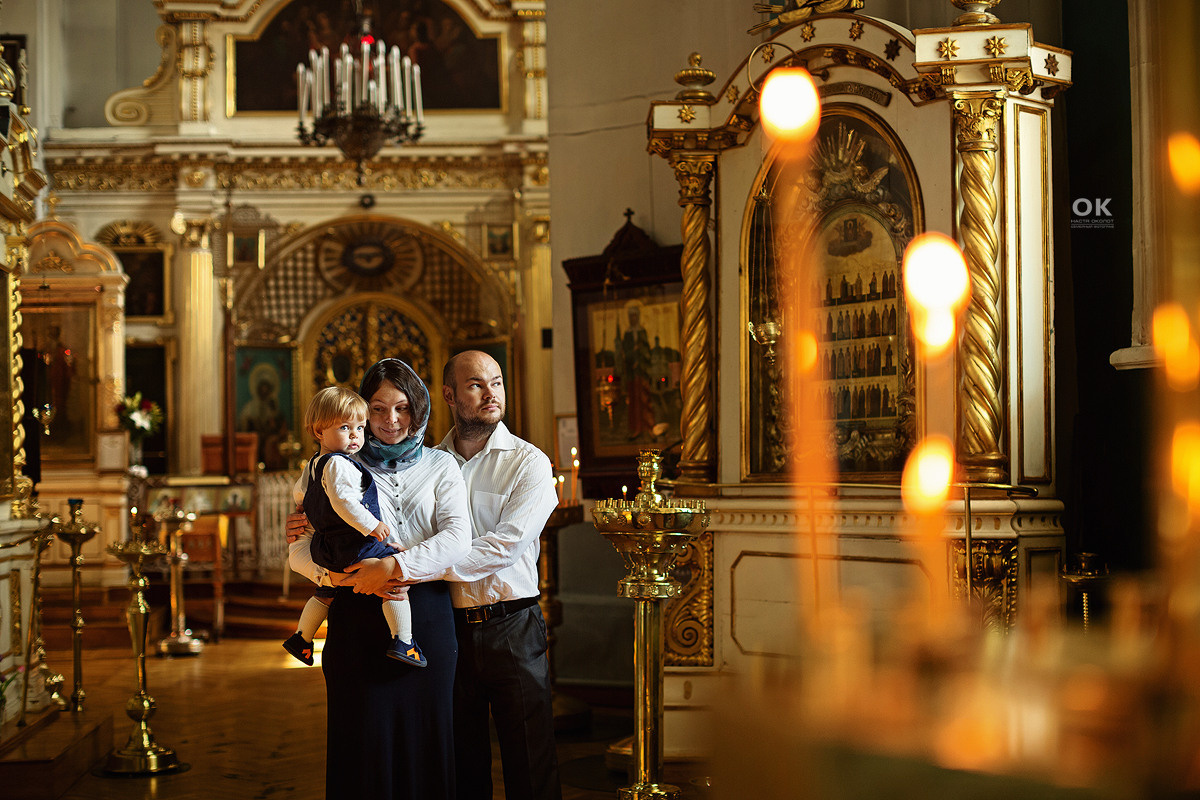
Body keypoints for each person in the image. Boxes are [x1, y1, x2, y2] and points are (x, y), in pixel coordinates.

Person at [286, 358, 470, 799]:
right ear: (360, 411)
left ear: (420, 409)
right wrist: (333, 575)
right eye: (378, 408)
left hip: (423, 616)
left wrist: (393, 567)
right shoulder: (333, 467)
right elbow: (297, 551)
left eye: (403, 408)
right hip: (354, 620)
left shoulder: (441, 466)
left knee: (427, 743)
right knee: (362, 744)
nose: (391, 421)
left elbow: (458, 539)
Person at [437, 350, 562, 800]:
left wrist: (416, 566)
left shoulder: (529, 463)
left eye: (497, 382)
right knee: (460, 764)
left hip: (513, 627)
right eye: (476, 384)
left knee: (530, 762)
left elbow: (503, 548)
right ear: (450, 395)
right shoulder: (430, 464)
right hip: (447, 630)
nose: (491, 393)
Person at [282, 386, 425, 668]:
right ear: (318, 431)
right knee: (394, 582)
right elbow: (344, 502)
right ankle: (404, 641)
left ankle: (302, 638)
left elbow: (301, 498)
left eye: (360, 428)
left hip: (325, 548)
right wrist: (373, 526)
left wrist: (304, 513)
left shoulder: (312, 466)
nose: (354, 435)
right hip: (353, 543)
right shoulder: (339, 464)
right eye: (345, 427)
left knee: (324, 593)